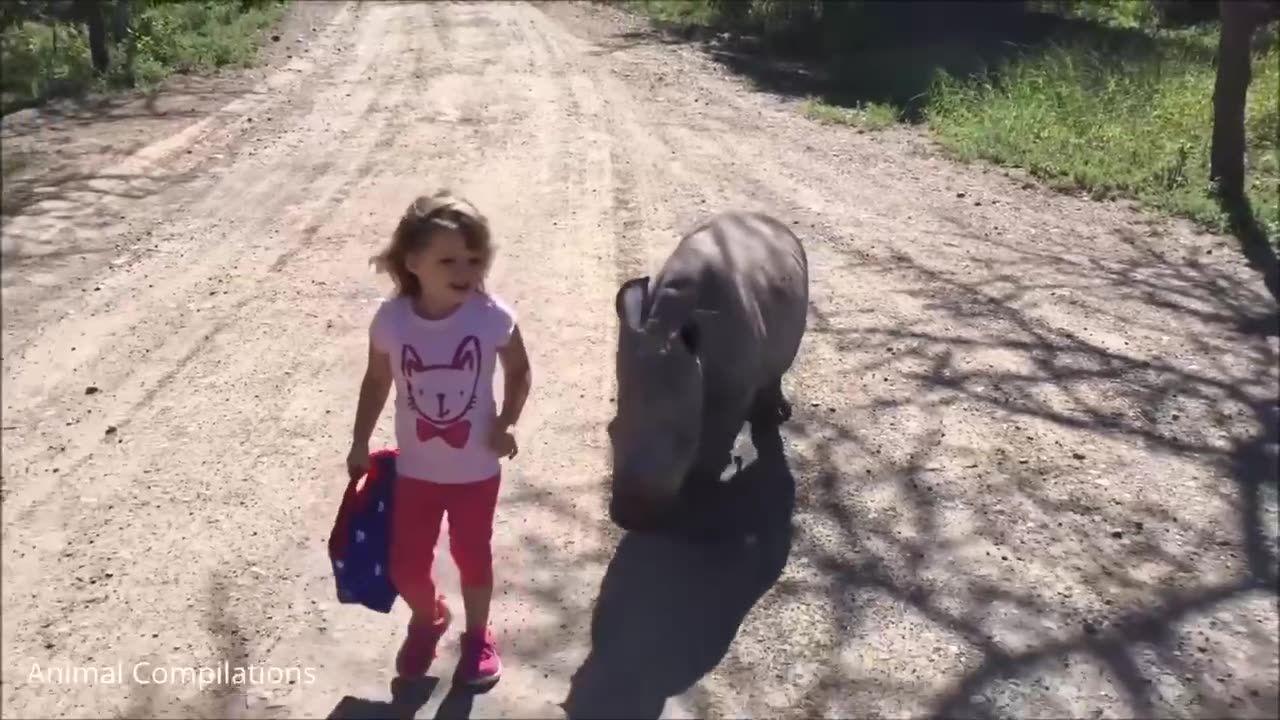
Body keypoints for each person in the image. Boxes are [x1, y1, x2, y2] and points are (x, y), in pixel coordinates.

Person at [346, 189, 531, 686]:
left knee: (474, 556)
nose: (464, 271)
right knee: (406, 566)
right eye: (448, 259)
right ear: (413, 263)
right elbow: (376, 382)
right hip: (416, 471)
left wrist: (506, 422)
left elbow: (519, 371)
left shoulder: (490, 316)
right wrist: (359, 441)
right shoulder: (392, 321)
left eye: (474, 259)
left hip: (476, 471)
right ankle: (429, 617)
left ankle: (477, 637)